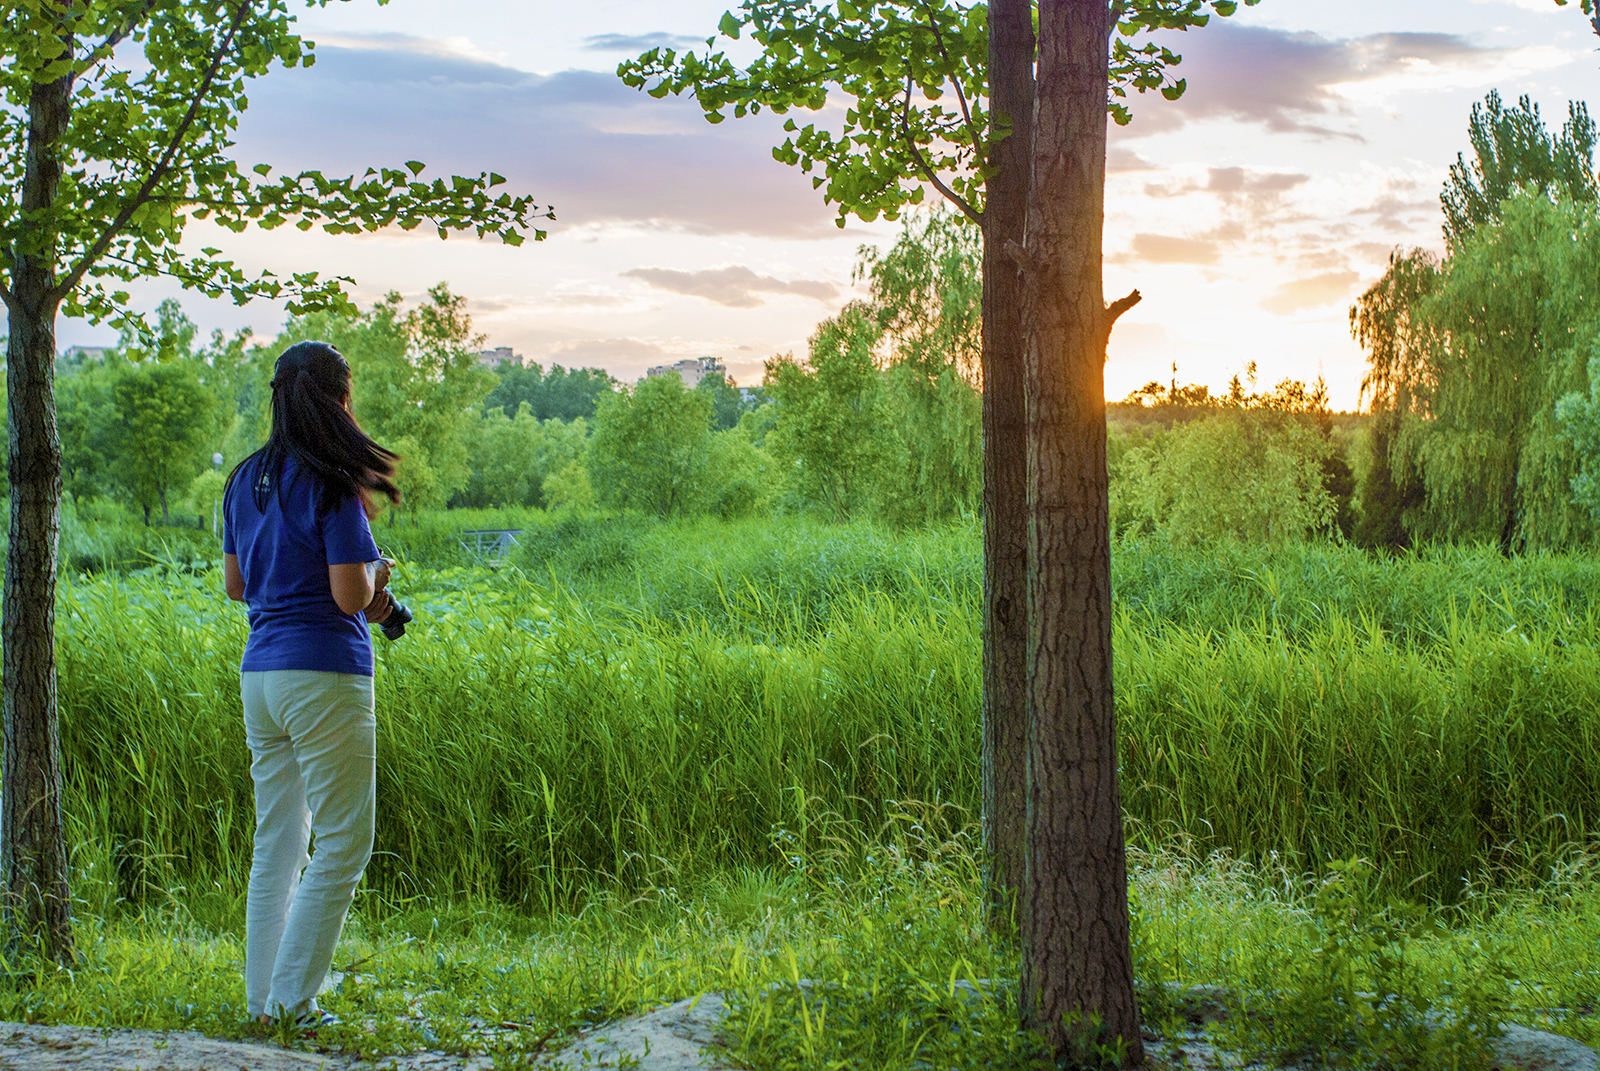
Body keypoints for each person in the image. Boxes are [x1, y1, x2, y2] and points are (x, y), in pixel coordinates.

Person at [222, 340, 400, 1030]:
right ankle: (292, 1003)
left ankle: (262, 1000)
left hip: (261, 674)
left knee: (279, 841)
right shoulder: (332, 480)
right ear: (337, 401)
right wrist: (378, 574)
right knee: (344, 842)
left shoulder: (244, 478)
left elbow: (237, 585)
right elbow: (349, 593)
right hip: (323, 672)